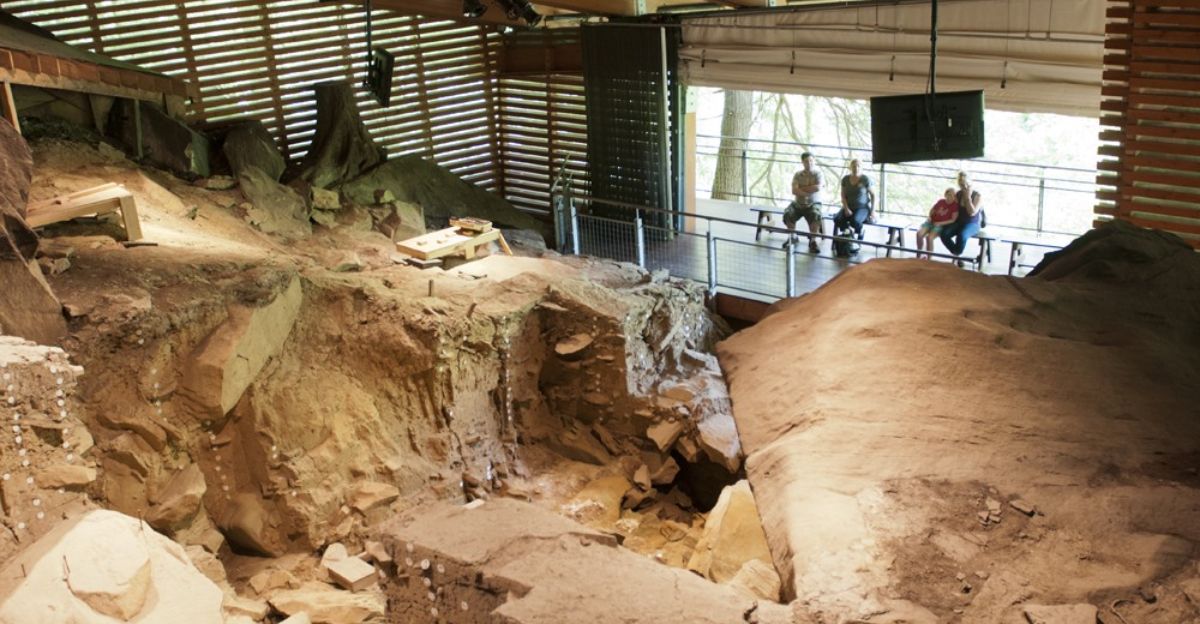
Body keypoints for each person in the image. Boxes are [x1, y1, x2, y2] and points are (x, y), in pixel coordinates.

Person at [783, 152, 824, 253]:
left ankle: (813, 241)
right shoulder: (798, 175)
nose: (809, 163)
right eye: (806, 161)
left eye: (811, 160)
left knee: (815, 214)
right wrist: (808, 192)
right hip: (798, 203)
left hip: (813, 203)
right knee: (788, 213)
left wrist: (801, 189)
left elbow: (818, 187)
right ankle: (793, 237)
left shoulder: (818, 174)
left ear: (814, 161)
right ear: (802, 162)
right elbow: (794, 191)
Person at [938, 171, 985, 259]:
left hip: (972, 223)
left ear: (970, 183)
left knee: (961, 236)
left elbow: (972, 213)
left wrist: (967, 197)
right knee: (944, 234)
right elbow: (951, 208)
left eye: (965, 184)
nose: (963, 187)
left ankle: (956, 255)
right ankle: (957, 254)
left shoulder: (977, 196)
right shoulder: (959, 194)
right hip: (959, 221)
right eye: (961, 185)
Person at [833, 159, 874, 240]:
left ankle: (860, 231)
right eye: (854, 166)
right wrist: (846, 208)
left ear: (861, 167)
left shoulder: (865, 179)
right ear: (850, 167)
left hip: (862, 208)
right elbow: (843, 195)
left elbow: (873, 195)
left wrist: (873, 211)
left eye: (858, 166)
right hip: (848, 206)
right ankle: (848, 232)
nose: (856, 168)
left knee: (855, 221)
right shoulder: (845, 179)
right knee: (837, 219)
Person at [916, 188, 959, 258]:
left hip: (940, 225)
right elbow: (932, 210)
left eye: (953, 195)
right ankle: (919, 254)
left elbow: (953, 220)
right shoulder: (941, 201)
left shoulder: (955, 206)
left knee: (929, 238)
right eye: (949, 195)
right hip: (931, 222)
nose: (950, 197)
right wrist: (929, 217)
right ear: (945, 195)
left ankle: (929, 258)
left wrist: (940, 223)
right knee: (919, 234)